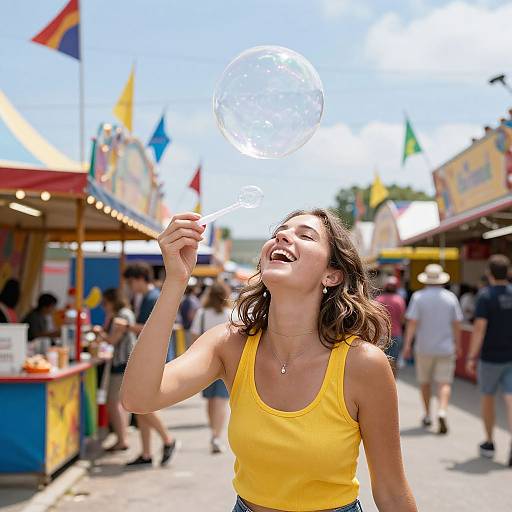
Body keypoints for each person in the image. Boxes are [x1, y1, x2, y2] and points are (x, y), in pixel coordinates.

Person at [121, 210, 417, 512]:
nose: (282, 236)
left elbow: (392, 492)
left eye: (305, 235)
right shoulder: (228, 345)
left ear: (332, 274)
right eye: (280, 231)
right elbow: (138, 398)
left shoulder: (363, 364)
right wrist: (176, 280)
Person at [122, 262, 178, 467]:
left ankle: (167, 439)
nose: (130, 286)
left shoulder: (152, 298)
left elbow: (149, 329)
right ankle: (146, 452)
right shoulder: (149, 297)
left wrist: (126, 326)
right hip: (155, 357)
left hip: (154, 359)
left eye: (130, 282)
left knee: (142, 404)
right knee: (141, 407)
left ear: (138, 279)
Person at [402, 264, 463, 435]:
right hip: (446, 347)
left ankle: (428, 414)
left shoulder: (418, 297)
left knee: (424, 382)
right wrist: (458, 344)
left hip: (424, 347)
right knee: (444, 383)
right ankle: (442, 411)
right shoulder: (451, 298)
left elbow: (412, 323)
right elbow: (456, 324)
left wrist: (407, 345)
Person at [466, 254, 512, 467]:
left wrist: (471, 356)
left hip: (490, 357)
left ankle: (489, 442)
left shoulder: (485, 296)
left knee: (488, 399)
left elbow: (479, 329)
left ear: (489, 273)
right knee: (510, 400)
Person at [190, 282, 232, 454]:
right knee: (221, 401)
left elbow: (194, 336)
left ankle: (213, 432)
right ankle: (216, 435)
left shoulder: (201, 314)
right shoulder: (232, 314)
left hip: (205, 364)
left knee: (210, 400)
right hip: (227, 363)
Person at [93, 288, 136, 452]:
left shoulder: (122, 316)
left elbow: (112, 340)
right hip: (124, 361)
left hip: (121, 362)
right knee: (120, 402)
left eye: (105, 303)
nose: (104, 306)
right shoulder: (124, 314)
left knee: (113, 402)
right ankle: (122, 436)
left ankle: (122, 439)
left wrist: (100, 333)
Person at [376, 276, 406, 376]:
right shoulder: (399, 300)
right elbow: (402, 319)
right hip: (396, 335)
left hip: (381, 335)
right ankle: (392, 384)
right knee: (393, 362)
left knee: (379, 361)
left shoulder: (378, 299)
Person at [179, 276, 201, 349]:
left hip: (187, 328)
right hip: (191, 329)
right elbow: (191, 316)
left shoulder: (184, 299)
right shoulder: (193, 300)